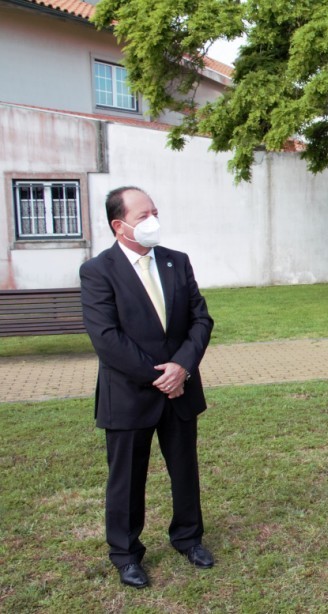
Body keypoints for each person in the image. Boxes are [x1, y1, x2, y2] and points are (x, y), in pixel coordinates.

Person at [80, 186, 215, 588]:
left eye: (155, 211)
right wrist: (160, 376)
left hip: (181, 389)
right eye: (143, 216)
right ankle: (126, 554)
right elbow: (106, 337)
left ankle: (188, 538)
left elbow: (200, 320)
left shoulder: (177, 261)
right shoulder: (98, 271)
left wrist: (182, 367)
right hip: (129, 394)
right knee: (126, 479)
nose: (153, 220)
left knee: (185, 471)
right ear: (119, 226)